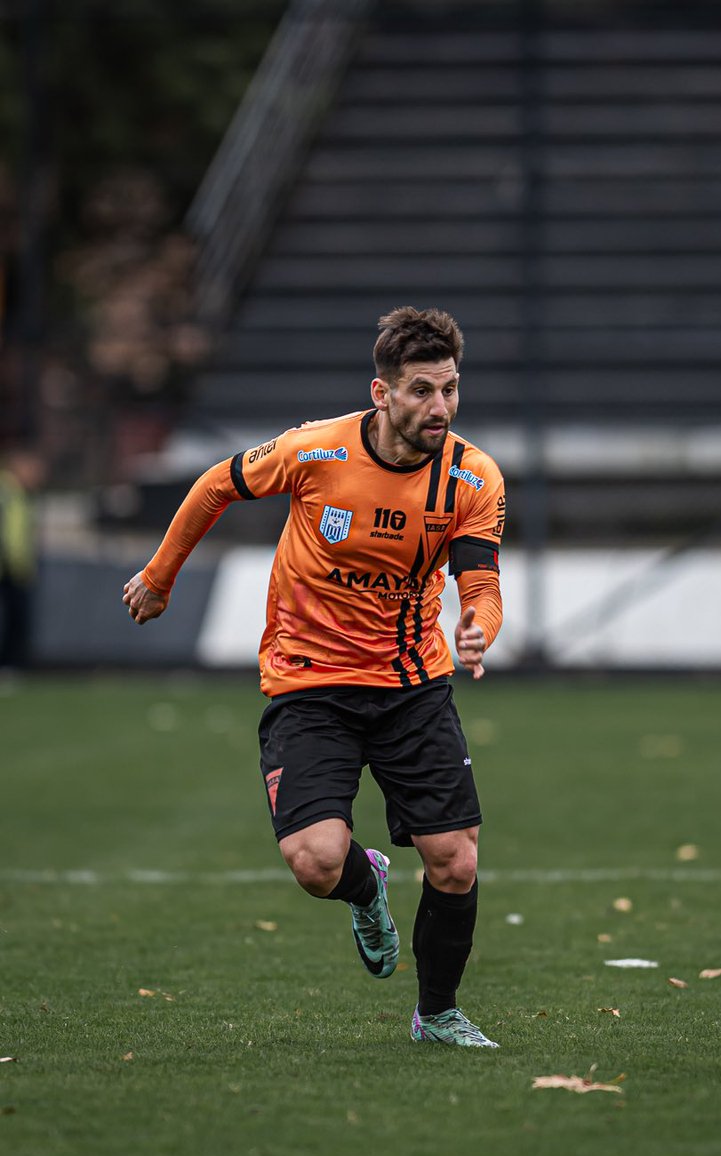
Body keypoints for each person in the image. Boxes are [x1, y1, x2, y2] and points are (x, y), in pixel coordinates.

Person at [123, 307, 505, 1048]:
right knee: (315, 862)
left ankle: (440, 1013)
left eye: (450, 389)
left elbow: (481, 583)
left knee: (454, 860)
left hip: (411, 689)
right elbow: (213, 487)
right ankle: (366, 890)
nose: (440, 408)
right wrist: (160, 576)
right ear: (381, 394)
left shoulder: (470, 475)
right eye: (422, 391)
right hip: (309, 684)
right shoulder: (314, 451)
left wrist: (478, 629)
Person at [0, 446, 45, 670]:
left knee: (18, 618)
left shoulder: (21, 493)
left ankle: (12, 665)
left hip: (17, 568)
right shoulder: (6, 491)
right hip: (8, 567)